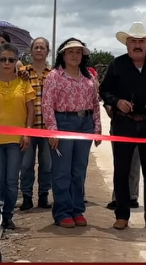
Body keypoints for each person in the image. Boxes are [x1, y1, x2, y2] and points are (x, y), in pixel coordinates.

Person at [99, 22, 146, 231]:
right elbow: (104, 91)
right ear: (127, 44)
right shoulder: (117, 64)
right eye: (133, 41)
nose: (137, 45)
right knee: (121, 171)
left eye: (141, 41)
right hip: (123, 123)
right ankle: (122, 214)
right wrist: (116, 101)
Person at [41, 38, 102, 228]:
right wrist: (52, 131)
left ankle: (77, 209)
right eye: (70, 52)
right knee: (61, 170)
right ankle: (62, 212)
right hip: (63, 122)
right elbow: (47, 104)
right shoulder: (54, 76)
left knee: (79, 170)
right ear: (63, 55)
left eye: (78, 52)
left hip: (85, 124)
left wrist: (97, 128)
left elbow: (95, 103)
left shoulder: (89, 78)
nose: (75, 55)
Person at [0, 43, 36, 234]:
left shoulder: (24, 84)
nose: (7, 63)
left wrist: (27, 132)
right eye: (3, 59)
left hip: (16, 141)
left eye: (11, 59)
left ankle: (8, 216)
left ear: (16, 61)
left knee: (11, 181)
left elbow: (30, 111)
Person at [17, 37, 53, 210]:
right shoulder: (22, 73)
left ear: (47, 51)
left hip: (47, 128)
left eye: (42, 47)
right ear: (31, 51)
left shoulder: (53, 74)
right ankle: (26, 196)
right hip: (27, 127)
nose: (39, 50)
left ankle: (44, 195)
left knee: (46, 165)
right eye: (36, 47)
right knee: (26, 165)